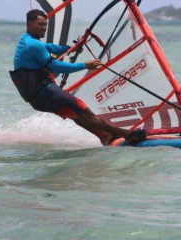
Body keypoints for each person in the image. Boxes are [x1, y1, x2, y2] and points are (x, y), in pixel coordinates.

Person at [10, 9, 146, 146]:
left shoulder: (25, 39)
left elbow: (49, 47)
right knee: (84, 111)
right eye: (40, 24)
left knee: (73, 113)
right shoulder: (33, 44)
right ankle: (128, 134)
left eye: (46, 24)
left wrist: (69, 48)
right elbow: (55, 66)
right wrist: (85, 65)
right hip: (46, 93)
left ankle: (104, 136)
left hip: (36, 99)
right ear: (30, 23)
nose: (44, 28)